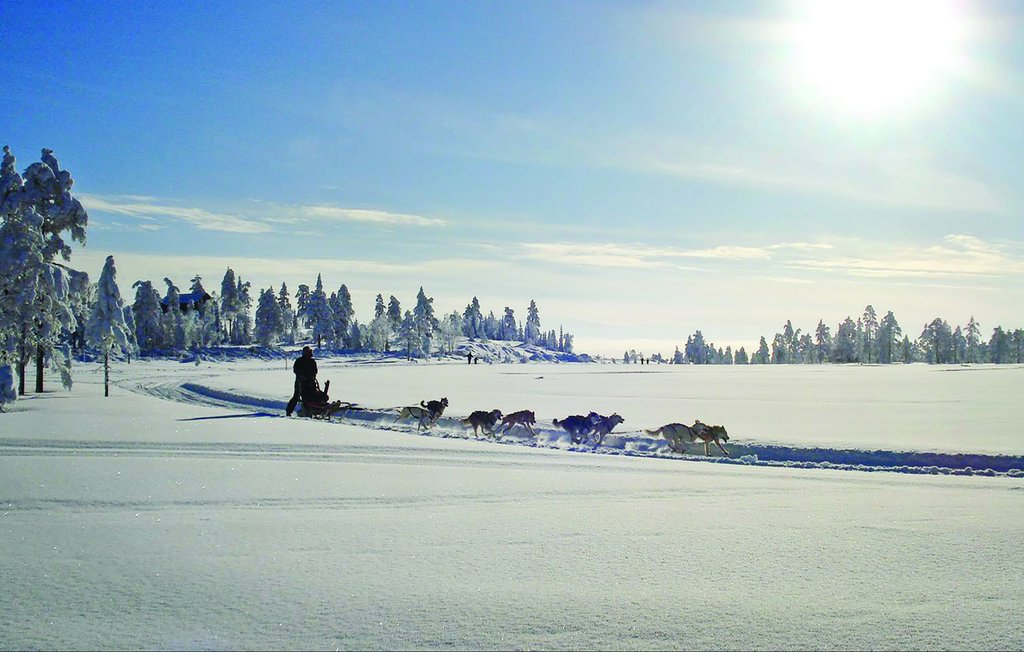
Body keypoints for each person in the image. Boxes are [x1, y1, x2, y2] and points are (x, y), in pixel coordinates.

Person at [286, 346, 318, 416]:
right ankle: (289, 411)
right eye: (307, 352)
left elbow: (315, 371)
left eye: (310, 352)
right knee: (296, 397)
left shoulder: (312, 361)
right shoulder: (299, 361)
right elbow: (296, 370)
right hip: (300, 383)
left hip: (310, 382)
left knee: (310, 397)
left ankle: (310, 412)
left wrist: (312, 377)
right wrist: (301, 376)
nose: (309, 353)